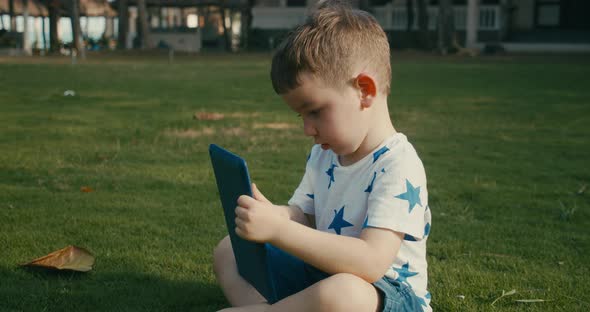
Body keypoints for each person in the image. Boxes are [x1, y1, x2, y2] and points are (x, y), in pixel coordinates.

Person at [213, 1, 431, 311]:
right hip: (325, 273)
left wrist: (279, 230)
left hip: (386, 294)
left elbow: (370, 262)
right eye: (300, 116)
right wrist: (273, 215)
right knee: (229, 251)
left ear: (364, 91)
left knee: (343, 294)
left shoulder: (397, 164)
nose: (307, 129)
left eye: (315, 111)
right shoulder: (324, 154)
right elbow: (304, 215)